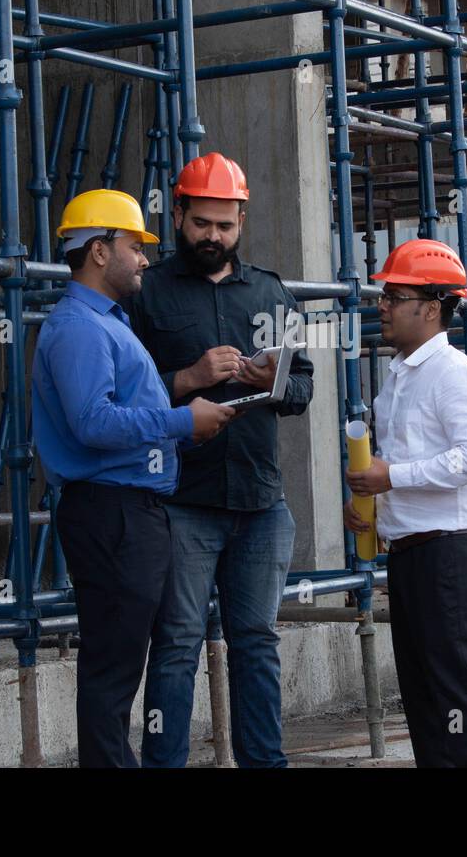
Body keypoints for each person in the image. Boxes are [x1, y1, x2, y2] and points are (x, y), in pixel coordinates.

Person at [31, 188, 234, 768]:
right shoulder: (80, 328)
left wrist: (187, 410)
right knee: (111, 670)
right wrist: (181, 421)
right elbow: (93, 422)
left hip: (128, 511)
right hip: (111, 511)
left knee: (120, 663)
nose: (145, 258)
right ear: (99, 251)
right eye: (134, 246)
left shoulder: (106, 323)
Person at [129, 152, 314, 768]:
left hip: (262, 504)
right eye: (202, 222)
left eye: (226, 225)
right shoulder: (147, 292)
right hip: (183, 502)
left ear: (241, 221)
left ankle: (266, 763)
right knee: (176, 643)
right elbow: (120, 397)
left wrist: (276, 379)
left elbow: (303, 387)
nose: (213, 236)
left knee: (256, 642)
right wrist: (189, 376)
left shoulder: (269, 290)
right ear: (177, 212)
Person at [344, 238, 467, 768]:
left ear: (432, 307)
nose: (382, 306)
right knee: (422, 697)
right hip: (412, 553)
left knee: (457, 691)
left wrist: (392, 477)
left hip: (449, 554)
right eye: (383, 295)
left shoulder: (453, 374)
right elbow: (405, 464)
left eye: (395, 295)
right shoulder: (401, 376)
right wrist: (375, 505)